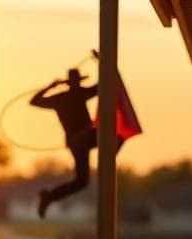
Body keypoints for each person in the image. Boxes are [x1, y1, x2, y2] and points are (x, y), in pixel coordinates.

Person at [30, 51, 124, 219]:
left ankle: (49, 196)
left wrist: (50, 87)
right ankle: (109, 162)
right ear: (77, 82)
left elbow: (34, 101)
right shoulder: (80, 93)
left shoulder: (59, 98)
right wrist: (101, 62)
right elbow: (107, 82)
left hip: (74, 142)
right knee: (117, 137)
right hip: (84, 137)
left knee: (81, 181)